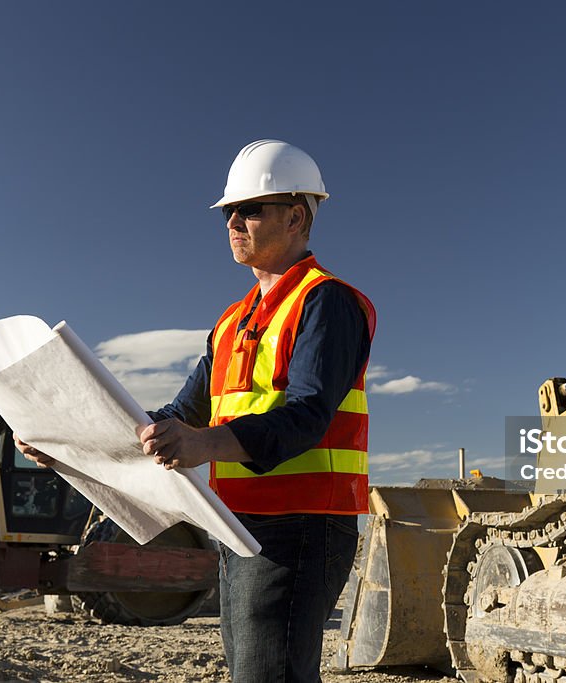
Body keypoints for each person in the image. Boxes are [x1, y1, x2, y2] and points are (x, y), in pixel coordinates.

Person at [20, 139, 375, 682]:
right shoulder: (233, 321)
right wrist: (70, 445)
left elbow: (307, 415)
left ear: (297, 216)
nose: (234, 221)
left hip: (304, 524)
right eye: (229, 211)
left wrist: (203, 443)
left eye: (250, 209)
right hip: (238, 524)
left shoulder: (328, 301)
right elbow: (173, 419)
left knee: (267, 675)